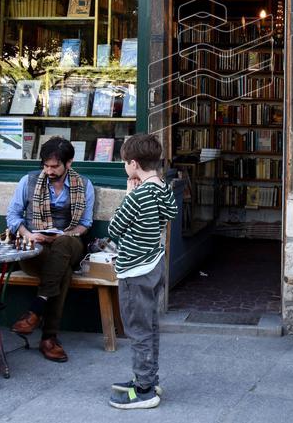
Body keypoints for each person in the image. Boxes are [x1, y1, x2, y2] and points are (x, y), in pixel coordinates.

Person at [6, 137, 96, 362]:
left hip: (70, 241)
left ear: (69, 163)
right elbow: (12, 216)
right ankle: (48, 338)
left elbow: (85, 223)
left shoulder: (84, 184)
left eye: (54, 166)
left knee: (63, 245)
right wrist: (29, 234)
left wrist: (65, 234)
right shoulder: (28, 181)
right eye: (45, 166)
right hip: (35, 246)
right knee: (62, 270)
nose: (49, 171)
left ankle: (35, 309)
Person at [106, 133, 178, 410]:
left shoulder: (138, 196)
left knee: (137, 329)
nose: (125, 167)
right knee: (149, 325)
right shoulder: (162, 188)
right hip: (155, 264)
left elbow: (114, 228)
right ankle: (148, 377)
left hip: (135, 270)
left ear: (134, 164)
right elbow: (169, 213)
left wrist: (129, 194)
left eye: (125, 162)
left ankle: (145, 389)